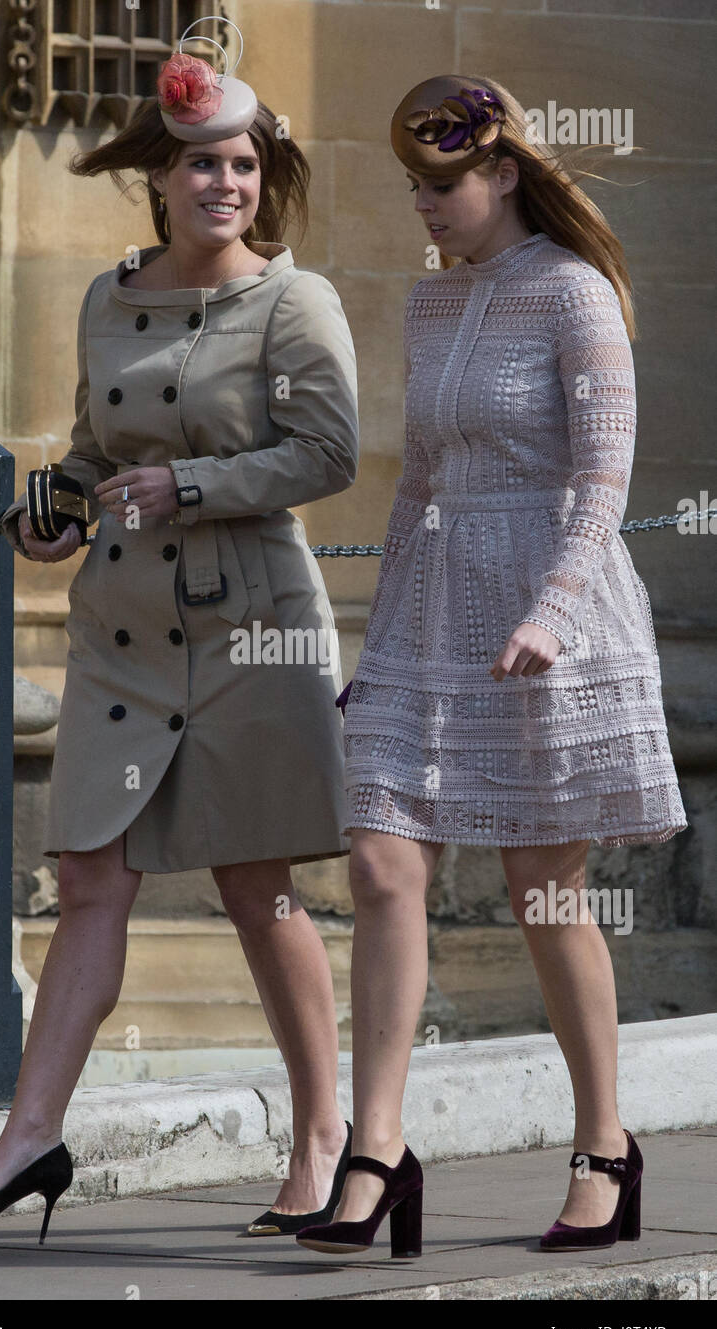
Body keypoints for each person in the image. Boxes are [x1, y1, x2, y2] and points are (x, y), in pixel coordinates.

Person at [0, 20, 357, 1243]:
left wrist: (192, 486)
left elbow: (326, 453)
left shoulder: (293, 300)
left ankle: (324, 1136)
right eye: (203, 162)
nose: (226, 183)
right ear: (159, 175)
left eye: (244, 164)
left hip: (252, 625)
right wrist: (54, 514)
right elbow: (91, 451)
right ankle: (26, 1139)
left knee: (256, 884)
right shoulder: (108, 297)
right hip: (121, 629)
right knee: (87, 878)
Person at [297, 74, 687, 1259]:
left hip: (545, 609)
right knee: (378, 858)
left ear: (503, 173)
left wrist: (553, 611)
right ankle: (375, 1146)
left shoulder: (573, 292)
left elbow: (603, 476)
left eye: (443, 185)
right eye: (412, 187)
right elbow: (413, 483)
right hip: (429, 612)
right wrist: (379, 647)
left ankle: (603, 1145)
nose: (423, 206)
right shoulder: (428, 304)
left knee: (543, 889)